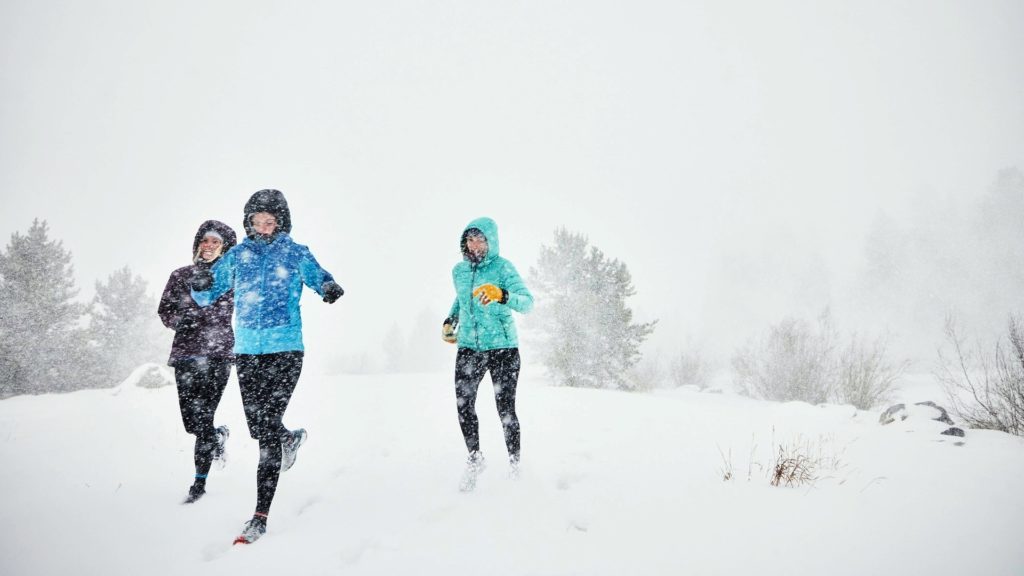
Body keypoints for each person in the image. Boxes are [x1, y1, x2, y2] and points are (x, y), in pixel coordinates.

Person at [190, 189, 344, 544]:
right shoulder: (237, 255)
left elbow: (318, 275)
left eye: (269, 221)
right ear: (248, 223)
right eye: (256, 221)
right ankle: (289, 438)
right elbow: (208, 292)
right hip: (247, 351)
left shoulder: (295, 252)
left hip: (285, 349)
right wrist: (201, 284)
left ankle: (260, 516)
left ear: (281, 222)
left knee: (267, 427)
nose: (262, 227)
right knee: (262, 428)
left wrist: (328, 286)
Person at [442, 217, 533, 491]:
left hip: (503, 348)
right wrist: (450, 320)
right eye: (470, 240)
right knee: (464, 405)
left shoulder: (503, 268)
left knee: (505, 409)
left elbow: (527, 303)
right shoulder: (459, 271)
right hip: (469, 348)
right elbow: (462, 298)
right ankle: (474, 457)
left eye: (480, 239)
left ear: (491, 241)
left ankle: (515, 465)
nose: (475, 245)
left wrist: (501, 294)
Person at [158, 220, 237, 504]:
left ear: (225, 248)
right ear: (197, 244)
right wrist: (183, 321)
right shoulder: (181, 275)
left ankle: (198, 484)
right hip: (186, 355)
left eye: (216, 242)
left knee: (204, 417)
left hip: (218, 355)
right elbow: (165, 310)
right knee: (192, 423)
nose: (209, 246)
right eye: (205, 240)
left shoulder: (232, 278)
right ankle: (216, 437)